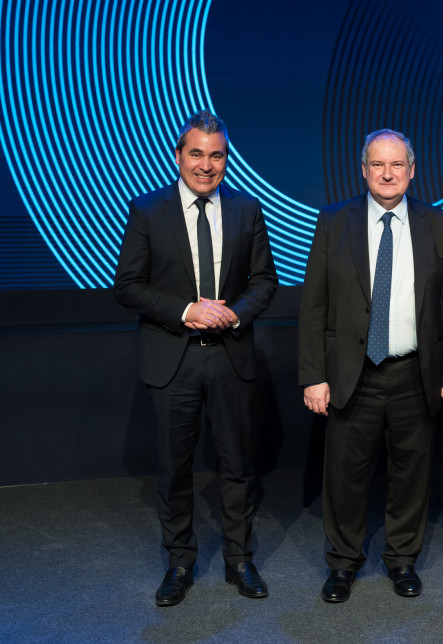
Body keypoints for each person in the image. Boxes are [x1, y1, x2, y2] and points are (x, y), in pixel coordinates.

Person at [114, 110, 279, 606]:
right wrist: (188, 310)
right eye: (197, 154)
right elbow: (128, 286)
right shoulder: (147, 210)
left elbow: (265, 283)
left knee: (238, 467)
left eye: (216, 155)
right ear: (179, 155)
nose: (206, 165)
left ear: (226, 158)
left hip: (230, 358)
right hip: (173, 360)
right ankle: (180, 562)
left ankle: (239, 560)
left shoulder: (248, 209)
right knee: (174, 469)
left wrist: (233, 315)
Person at [298, 128, 443, 603]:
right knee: (344, 476)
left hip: (414, 373)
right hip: (352, 374)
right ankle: (343, 563)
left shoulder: (440, 224)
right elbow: (314, 305)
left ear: (412, 170)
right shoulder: (334, 221)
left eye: (397, 165)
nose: (388, 173)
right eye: (378, 165)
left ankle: (401, 559)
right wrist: (314, 374)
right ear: (363, 170)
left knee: (411, 472)